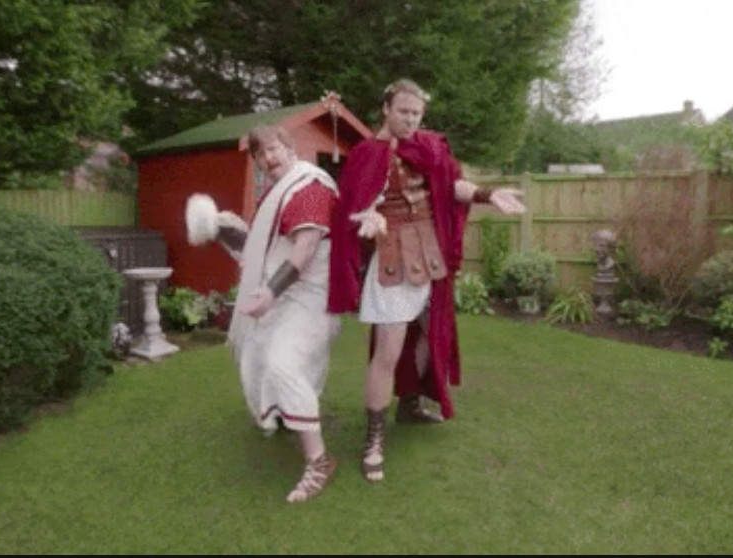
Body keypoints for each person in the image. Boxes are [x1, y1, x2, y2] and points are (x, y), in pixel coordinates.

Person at [328, 78, 526, 482]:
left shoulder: (429, 147)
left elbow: (450, 185)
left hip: (432, 258)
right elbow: (354, 205)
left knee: (429, 335)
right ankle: (374, 439)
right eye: (403, 111)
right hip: (392, 259)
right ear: (386, 108)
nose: (410, 120)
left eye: (416, 113)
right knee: (387, 351)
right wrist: (369, 216)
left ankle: (410, 404)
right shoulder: (366, 154)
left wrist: (487, 195)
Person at [185, 125, 341, 503]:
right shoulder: (274, 195)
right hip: (286, 296)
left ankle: (319, 462)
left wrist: (270, 292)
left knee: (282, 364)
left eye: (273, 149)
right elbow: (259, 249)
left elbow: (302, 252)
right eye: (260, 155)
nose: (268, 158)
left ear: (290, 148)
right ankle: (288, 416)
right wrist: (220, 230)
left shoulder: (309, 188)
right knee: (255, 354)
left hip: (313, 298)